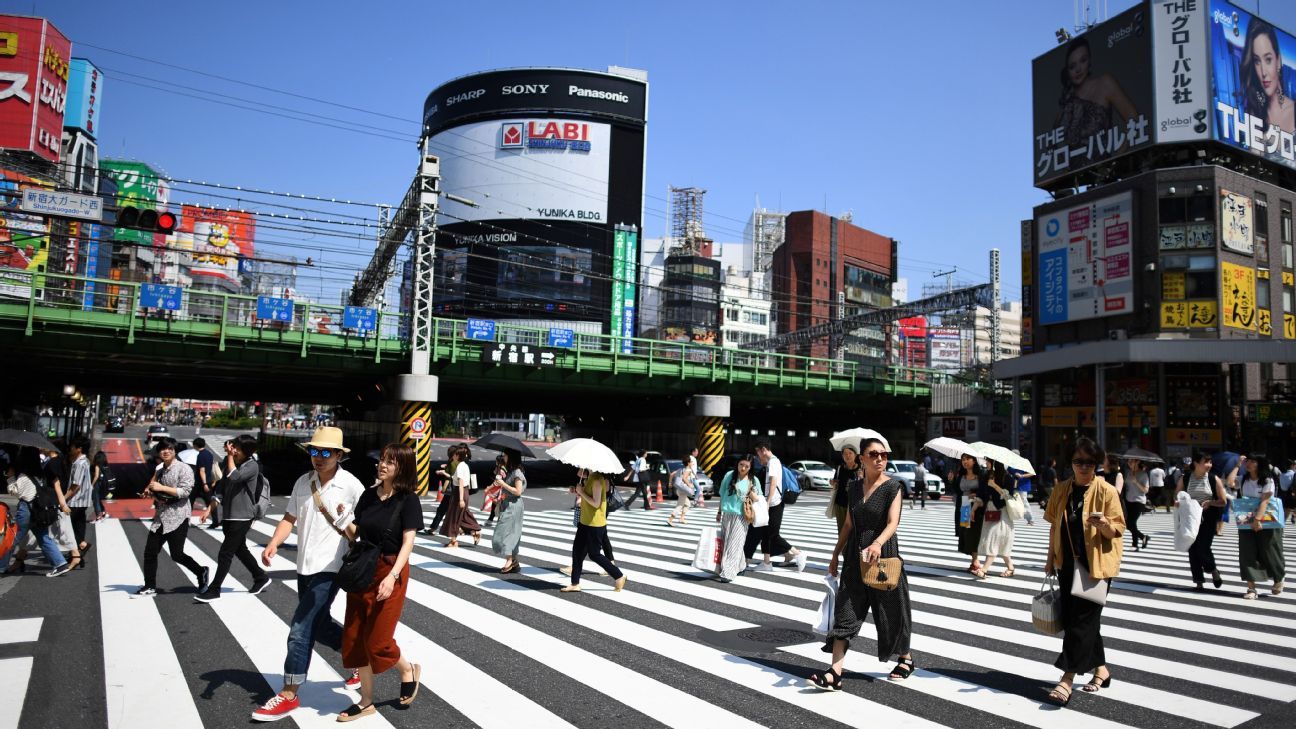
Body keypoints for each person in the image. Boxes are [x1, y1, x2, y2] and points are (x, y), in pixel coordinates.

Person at [252, 427, 365, 722]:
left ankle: (289, 693)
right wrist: (274, 543)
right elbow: (290, 517)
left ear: (339, 455)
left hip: (332, 566)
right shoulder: (304, 482)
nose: (318, 457)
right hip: (305, 565)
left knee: (300, 629)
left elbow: (364, 529)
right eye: (314, 451)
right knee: (321, 624)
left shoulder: (351, 486)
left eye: (326, 452)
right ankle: (357, 661)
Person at [811, 437, 914, 690]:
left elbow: (893, 523)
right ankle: (835, 673)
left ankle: (905, 657)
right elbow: (848, 523)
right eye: (874, 454)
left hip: (883, 555)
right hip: (855, 556)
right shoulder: (854, 488)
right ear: (862, 459)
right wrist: (836, 554)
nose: (880, 458)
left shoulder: (893, 487)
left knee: (891, 610)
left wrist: (877, 543)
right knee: (845, 610)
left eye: (884, 454)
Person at [339, 443, 424, 722]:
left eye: (390, 461)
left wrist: (393, 575)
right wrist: (341, 518)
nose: (382, 465)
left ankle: (407, 669)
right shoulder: (367, 496)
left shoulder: (408, 500)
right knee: (354, 637)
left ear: (402, 467)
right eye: (382, 460)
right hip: (364, 568)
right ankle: (366, 702)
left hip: (390, 569)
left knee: (378, 641)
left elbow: (408, 542)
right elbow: (357, 534)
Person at [1043, 437, 1124, 706]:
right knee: (1075, 620)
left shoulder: (1107, 491)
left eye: (1090, 462)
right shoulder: (1061, 490)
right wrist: (1049, 559)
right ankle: (1101, 669)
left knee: (1082, 622)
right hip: (1067, 563)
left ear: (1097, 464)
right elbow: (1054, 526)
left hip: (1096, 567)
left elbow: (1118, 530)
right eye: (1079, 461)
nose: (1084, 467)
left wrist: (1103, 525)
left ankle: (1067, 678)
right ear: (1071, 463)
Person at [196, 434, 270, 603]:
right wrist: (209, 510)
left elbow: (235, 476)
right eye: (233, 447)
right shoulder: (230, 464)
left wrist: (229, 457)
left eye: (237, 448)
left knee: (225, 553)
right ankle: (260, 577)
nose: (233, 450)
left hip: (243, 516)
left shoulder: (252, 466)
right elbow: (220, 491)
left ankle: (214, 590)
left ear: (246, 451)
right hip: (229, 516)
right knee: (240, 549)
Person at [136, 438, 208, 597]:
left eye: (169, 448)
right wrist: (150, 492)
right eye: (163, 449)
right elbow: (157, 490)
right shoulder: (160, 470)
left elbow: (185, 492)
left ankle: (201, 571)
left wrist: (161, 487)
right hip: (161, 516)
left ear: (174, 451)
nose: (166, 451)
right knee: (150, 552)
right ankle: (150, 585)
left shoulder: (184, 469)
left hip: (178, 517)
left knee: (177, 554)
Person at [1054, 36, 1138, 149]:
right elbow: (1053, 141)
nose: (1078, 69)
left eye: (1083, 60)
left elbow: (1133, 117)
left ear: (1090, 61)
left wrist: (1120, 155)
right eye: (1072, 66)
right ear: (1068, 71)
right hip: (1075, 165)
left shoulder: (1104, 83)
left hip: (1105, 164)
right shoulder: (1067, 102)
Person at [1, 448, 71, 576]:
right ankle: (60, 563)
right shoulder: (41, 474)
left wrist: (10, 477)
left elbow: (15, 492)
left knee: (12, 538)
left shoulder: (24, 476)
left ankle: (1, 566)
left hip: (27, 510)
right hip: (38, 511)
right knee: (43, 537)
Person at [560, 469, 627, 593]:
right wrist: (577, 491)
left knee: (594, 554)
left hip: (595, 524)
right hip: (585, 521)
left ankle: (619, 575)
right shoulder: (589, 478)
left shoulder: (597, 480)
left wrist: (581, 492)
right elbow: (586, 496)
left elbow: (596, 504)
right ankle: (575, 583)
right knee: (577, 552)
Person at [747, 440, 807, 572]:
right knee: (766, 534)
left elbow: (773, 482)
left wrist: (767, 502)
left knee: (773, 535)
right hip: (773, 503)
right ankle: (766, 563)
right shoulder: (771, 462)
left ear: (763, 449)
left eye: (758, 452)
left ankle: (797, 553)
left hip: (775, 503)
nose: (758, 456)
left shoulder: (773, 462)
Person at [1176, 450, 1228, 591]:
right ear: (1196, 463)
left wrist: (1210, 503)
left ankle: (1213, 570)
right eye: (1205, 462)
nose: (1209, 465)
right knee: (1193, 548)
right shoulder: (1185, 478)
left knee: (1203, 547)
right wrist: (1178, 503)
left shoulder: (1213, 479)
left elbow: (1223, 501)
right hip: (1190, 518)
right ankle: (1198, 581)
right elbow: (1178, 496)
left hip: (1208, 518)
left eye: (1210, 462)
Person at [1237, 455, 1285, 599]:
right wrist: (1237, 465)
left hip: (1267, 519)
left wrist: (1257, 519)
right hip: (1246, 519)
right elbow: (1231, 481)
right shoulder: (1243, 479)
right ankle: (1251, 589)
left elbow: (1265, 501)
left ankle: (1278, 578)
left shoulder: (1267, 480)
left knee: (1270, 549)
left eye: (1253, 461)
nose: (1249, 464)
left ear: (1260, 464)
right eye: (1248, 461)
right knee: (1247, 552)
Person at [1242, 19, 1296, 135]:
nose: (1263, 72)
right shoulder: (1254, 116)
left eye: (1268, 60)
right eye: (1257, 61)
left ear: (1278, 60)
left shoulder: (1293, 110)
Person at [714, 455, 758, 583]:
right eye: (741, 465)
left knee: (735, 543)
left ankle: (728, 572)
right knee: (728, 542)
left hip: (742, 516)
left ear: (750, 467)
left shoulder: (753, 480)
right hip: (727, 513)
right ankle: (741, 565)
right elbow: (722, 494)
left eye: (746, 466)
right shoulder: (729, 475)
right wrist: (719, 511)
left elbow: (757, 499)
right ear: (737, 464)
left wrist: (751, 492)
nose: (743, 468)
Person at [975, 462, 1017, 579]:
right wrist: (974, 509)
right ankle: (1011, 568)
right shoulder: (986, 476)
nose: (986, 464)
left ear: (995, 464)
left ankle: (984, 570)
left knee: (993, 539)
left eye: (989, 461)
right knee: (999, 543)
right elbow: (982, 494)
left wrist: (994, 485)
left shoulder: (1008, 478)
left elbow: (1008, 496)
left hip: (1002, 513)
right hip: (990, 512)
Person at [438, 444, 480, 548]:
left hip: (459, 492)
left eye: (455, 454)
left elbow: (461, 483)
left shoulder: (461, 466)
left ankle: (454, 541)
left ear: (458, 455)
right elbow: (457, 479)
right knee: (462, 515)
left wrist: (461, 499)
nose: (453, 455)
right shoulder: (463, 465)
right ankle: (473, 531)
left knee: (454, 516)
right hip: (462, 492)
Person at [491, 449, 526, 574]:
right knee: (508, 532)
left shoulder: (517, 473)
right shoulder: (510, 471)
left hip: (514, 506)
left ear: (510, 457)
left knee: (507, 533)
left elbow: (518, 491)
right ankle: (514, 561)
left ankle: (509, 560)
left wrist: (503, 484)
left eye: (505, 455)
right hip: (507, 505)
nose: (503, 457)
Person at [952, 453, 986, 573]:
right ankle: (974, 560)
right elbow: (957, 490)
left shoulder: (981, 475)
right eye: (963, 460)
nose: (964, 462)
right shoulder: (961, 475)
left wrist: (975, 493)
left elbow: (984, 490)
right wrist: (951, 480)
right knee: (966, 533)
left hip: (976, 507)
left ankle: (976, 561)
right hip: (965, 505)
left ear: (974, 461)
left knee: (975, 533)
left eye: (967, 459)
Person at [64, 435, 94, 566]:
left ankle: (78, 551)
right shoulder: (85, 461)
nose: (70, 449)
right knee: (78, 526)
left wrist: (64, 498)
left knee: (67, 527)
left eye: (72, 447)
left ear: (79, 449)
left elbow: (76, 485)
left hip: (76, 500)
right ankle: (80, 551)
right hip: (83, 501)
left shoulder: (79, 463)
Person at [828, 445, 861, 534]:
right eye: (845, 454)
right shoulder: (839, 468)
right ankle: (843, 548)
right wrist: (833, 483)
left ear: (855, 455)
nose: (847, 456)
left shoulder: (861, 470)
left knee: (854, 531)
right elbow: (836, 482)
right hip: (840, 503)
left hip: (855, 505)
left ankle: (852, 548)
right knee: (842, 530)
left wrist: (862, 477)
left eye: (850, 453)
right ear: (842, 456)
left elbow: (867, 487)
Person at [191, 437, 219, 529]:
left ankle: (185, 520)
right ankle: (215, 521)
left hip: (201, 483)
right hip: (209, 481)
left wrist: (204, 484)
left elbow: (202, 471)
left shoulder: (201, 455)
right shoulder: (209, 454)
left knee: (190, 501)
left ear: (195, 445)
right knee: (210, 502)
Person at [1123, 458, 1150, 551]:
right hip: (1128, 500)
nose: (1129, 463)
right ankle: (1143, 537)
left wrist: (1136, 482)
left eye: (1131, 461)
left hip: (1138, 501)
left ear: (1137, 462)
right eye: (1128, 461)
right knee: (1127, 524)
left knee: (1132, 522)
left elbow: (1146, 490)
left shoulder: (1143, 474)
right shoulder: (1128, 473)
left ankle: (1135, 545)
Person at [91, 450, 112, 520]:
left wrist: (92, 484)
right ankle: (103, 512)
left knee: (95, 499)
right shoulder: (105, 465)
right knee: (98, 499)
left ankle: (98, 516)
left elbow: (96, 476)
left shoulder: (97, 465)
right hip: (103, 484)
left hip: (97, 484)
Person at [1280, 459, 1296, 525]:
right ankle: (1294, 515)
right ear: (1292, 465)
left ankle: (1281, 524)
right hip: (1292, 493)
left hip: (1283, 493)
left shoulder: (1282, 474)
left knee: (1286, 511)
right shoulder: (1293, 474)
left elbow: (1282, 486)